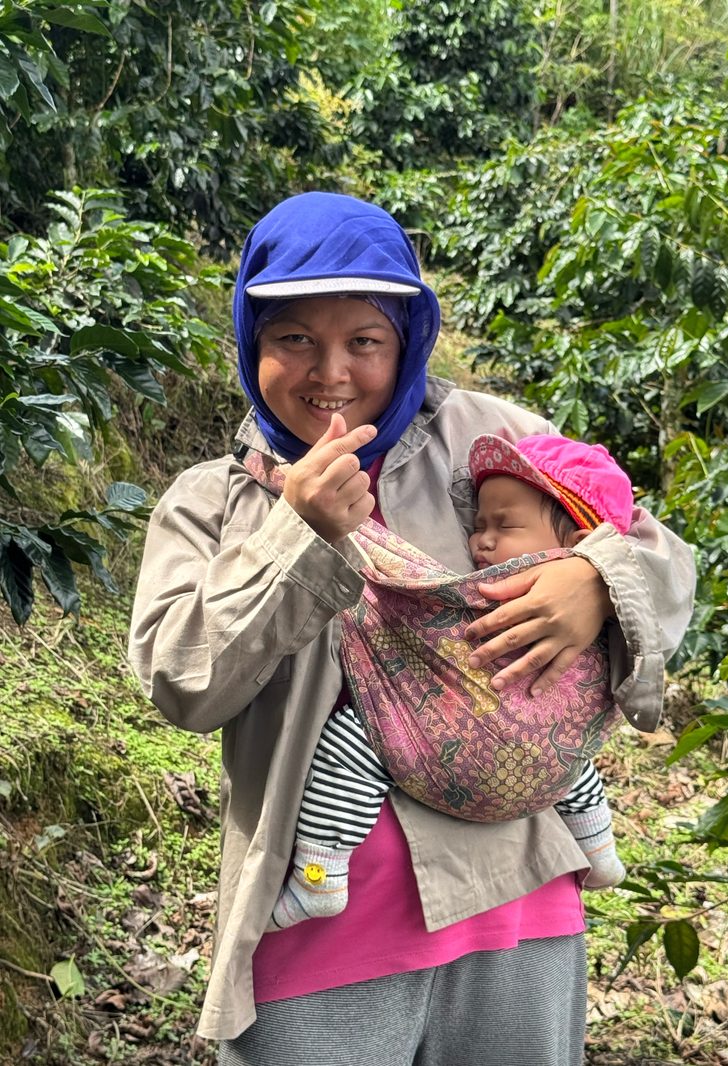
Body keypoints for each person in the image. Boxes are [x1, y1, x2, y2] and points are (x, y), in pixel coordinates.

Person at [128, 191, 695, 1066]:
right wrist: (296, 537)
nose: (331, 373)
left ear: (408, 338)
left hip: (518, 908)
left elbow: (659, 557)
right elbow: (182, 685)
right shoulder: (212, 503)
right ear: (249, 340)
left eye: (365, 340)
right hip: (314, 934)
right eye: (294, 339)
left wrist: (596, 580)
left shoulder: (496, 441)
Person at [268, 431, 635, 935]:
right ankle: (598, 845)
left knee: (352, 744)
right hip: (543, 765)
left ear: (576, 545)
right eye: (478, 524)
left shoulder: (562, 588)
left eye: (505, 525)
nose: (482, 540)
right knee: (571, 750)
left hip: (465, 756)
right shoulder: (609, 602)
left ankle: (320, 873)